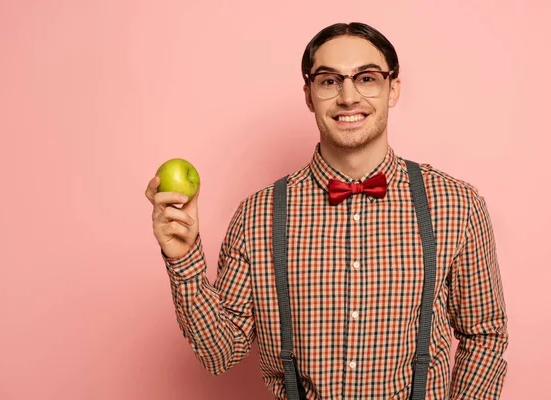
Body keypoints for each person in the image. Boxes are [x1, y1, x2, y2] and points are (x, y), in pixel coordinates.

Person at [145, 22, 508, 399]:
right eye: (329, 81)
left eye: (366, 78)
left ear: (392, 88)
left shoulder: (456, 204)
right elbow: (220, 352)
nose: (348, 97)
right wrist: (183, 258)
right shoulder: (257, 215)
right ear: (309, 94)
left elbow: (484, 335)